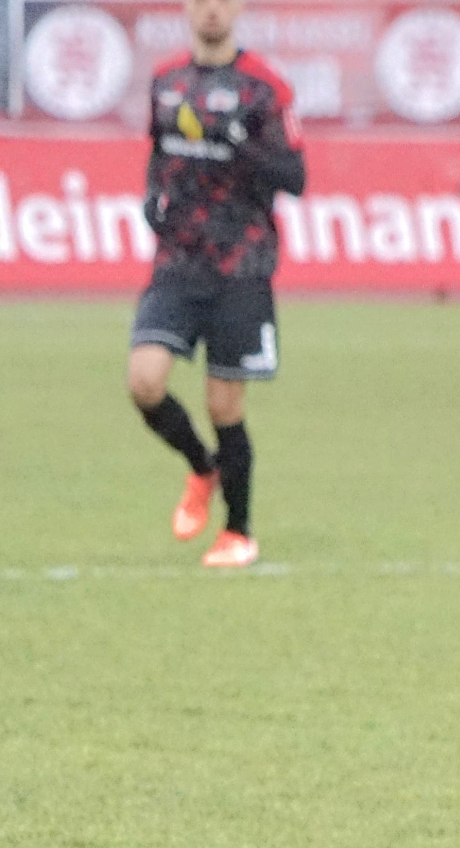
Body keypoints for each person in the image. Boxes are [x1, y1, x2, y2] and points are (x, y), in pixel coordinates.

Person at [127, 0, 305, 569]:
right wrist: (151, 197)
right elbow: (159, 152)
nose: (211, 9)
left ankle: (238, 531)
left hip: (240, 266)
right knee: (144, 382)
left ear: (237, 8)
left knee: (223, 404)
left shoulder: (264, 87)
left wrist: (242, 145)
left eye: (222, 0)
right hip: (177, 263)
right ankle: (203, 468)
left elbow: (295, 176)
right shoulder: (167, 81)